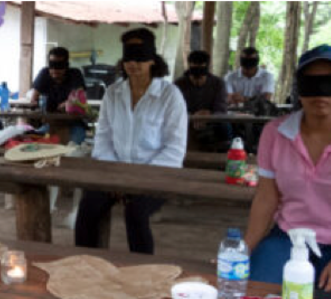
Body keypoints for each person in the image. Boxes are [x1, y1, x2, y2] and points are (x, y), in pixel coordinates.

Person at [245, 45, 331, 293]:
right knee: (256, 297)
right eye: (311, 83)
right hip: (288, 237)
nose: (321, 92)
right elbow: (266, 197)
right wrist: (245, 248)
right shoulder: (275, 133)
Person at [74, 28, 187, 254]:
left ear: (152, 59)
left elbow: (174, 148)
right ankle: (85, 262)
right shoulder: (113, 93)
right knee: (88, 208)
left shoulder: (170, 96)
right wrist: (117, 176)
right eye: (128, 57)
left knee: (136, 212)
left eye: (140, 57)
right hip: (114, 172)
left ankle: (143, 269)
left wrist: (137, 180)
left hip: (156, 175)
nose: (133, 63)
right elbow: (103, 138)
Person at [174, 50, 231, 151]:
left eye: (201, 76)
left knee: (225, 126)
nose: (198, 81)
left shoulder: (218, 83)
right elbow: (175, 109)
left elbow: (221, 108)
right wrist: (193, 116)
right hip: (186, 120)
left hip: (212, 121)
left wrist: (208, 114)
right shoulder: (179, 84)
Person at [29, 47, 88, 145]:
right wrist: (34, 105)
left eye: (59, 66)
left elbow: (79, 97)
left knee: (72, 148)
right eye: (52, 65)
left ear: (66, 65)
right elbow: (34, 98)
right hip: (51, 124)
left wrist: (67, 104)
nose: (55, 70)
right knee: (34, 143)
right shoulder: (44, 73)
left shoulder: (75, 74)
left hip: (73, 124)